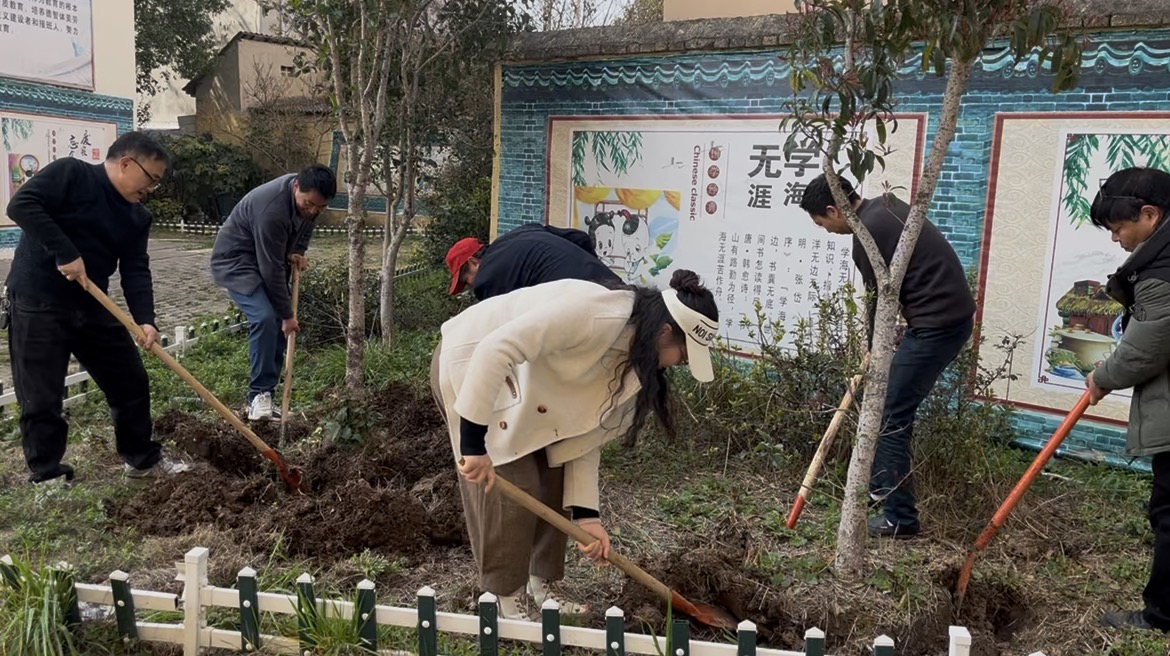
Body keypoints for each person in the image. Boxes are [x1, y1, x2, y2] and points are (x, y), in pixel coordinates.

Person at [430, 270, 718, 619]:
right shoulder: (597, 313)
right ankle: (506, 596)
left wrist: (587, 518)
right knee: (514, 485)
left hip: (531, 387)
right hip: (475, 363)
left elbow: (587, 435)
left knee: (555, 479)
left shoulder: (639, 364)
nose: (679, 366)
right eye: (683, 357)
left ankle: (542, 583)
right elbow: (496, 348)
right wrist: (473, 444)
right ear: (665, 333)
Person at [4, 131, 192, 485]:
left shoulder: (137, 217)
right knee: (41, 394)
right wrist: (65, 251)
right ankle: (47, 474)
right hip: (37, 299)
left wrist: (145, 321)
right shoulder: (71, 175)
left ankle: (141, 459)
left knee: (129, 380)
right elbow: (22, 205)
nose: (151, 189)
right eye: (151, 179)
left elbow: (136, 268)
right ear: (125, 163)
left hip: (91, 302)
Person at [799, 174, 975, 539]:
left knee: (887, 414)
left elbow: (879, 304)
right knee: (889, 410)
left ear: (834, 210)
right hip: (944, 319)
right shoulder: (886, 205)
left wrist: (874, 349)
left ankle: (898, 516)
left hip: (936, 327)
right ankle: (885, 496)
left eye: (822, 223)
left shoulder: (867, 234)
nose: (826, 231)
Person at [1084, 167, 1170, 634]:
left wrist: (1104, 375)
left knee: (1169, 510)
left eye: (1119, 228)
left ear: (1150, 214)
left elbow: (1146, 348)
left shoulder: (1162, 269)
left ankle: (1162, 616)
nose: (1117, 239)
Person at [210, 164, 337, 421]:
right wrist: (288, 314)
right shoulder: (272, 209)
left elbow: (305, 227)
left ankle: (263, 395)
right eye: (309, 204)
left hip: (266, 259)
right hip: (237, 262)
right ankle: (258, 396)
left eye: (320, 208)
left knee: (279, 322)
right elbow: (271, 272)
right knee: (267, 318)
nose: (313, 211)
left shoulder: (308, 198)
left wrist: (298, 251)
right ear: (296, 187)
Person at [446, 222, 620, 300]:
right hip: (614, 284)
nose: (471, 286)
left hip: (587, 303)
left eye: (466, 280)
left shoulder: (487, 280)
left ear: (474, 262)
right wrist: (595, 272)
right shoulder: (523, 232)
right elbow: (580, 238)